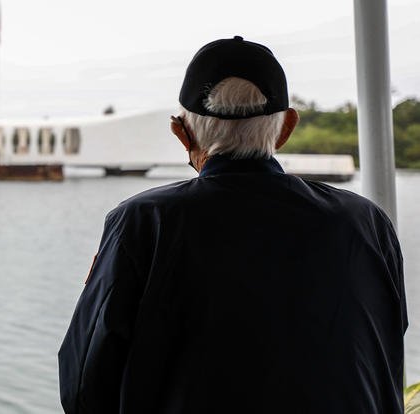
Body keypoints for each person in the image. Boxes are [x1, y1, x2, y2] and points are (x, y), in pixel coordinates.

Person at [58, 36, 407, 413]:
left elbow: (83, 388)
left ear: (181, 132)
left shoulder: (143, 222)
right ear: (286, 128)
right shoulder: (367, 222)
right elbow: (387, 345)